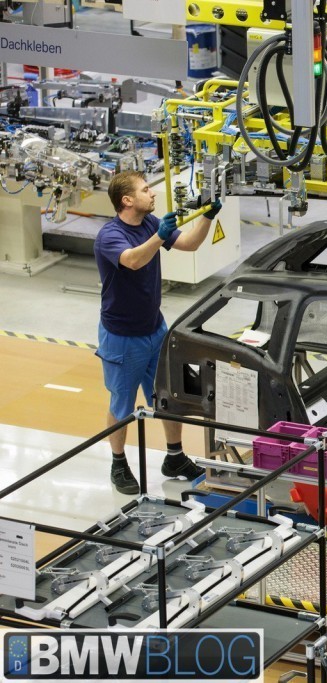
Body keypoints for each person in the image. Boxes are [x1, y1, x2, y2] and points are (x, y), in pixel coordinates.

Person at [95, 171, 222, 494]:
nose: (152, 194)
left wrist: (207, 217)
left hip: (155, 329)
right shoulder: (110, 235)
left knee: (169, 396)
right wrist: (159, 236)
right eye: (145, 190)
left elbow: (190, 244)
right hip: (122, 337)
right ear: (127, 200)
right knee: (122, 404)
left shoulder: (150, 224)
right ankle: (118, 463)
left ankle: (175, 456)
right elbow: (133, 261)